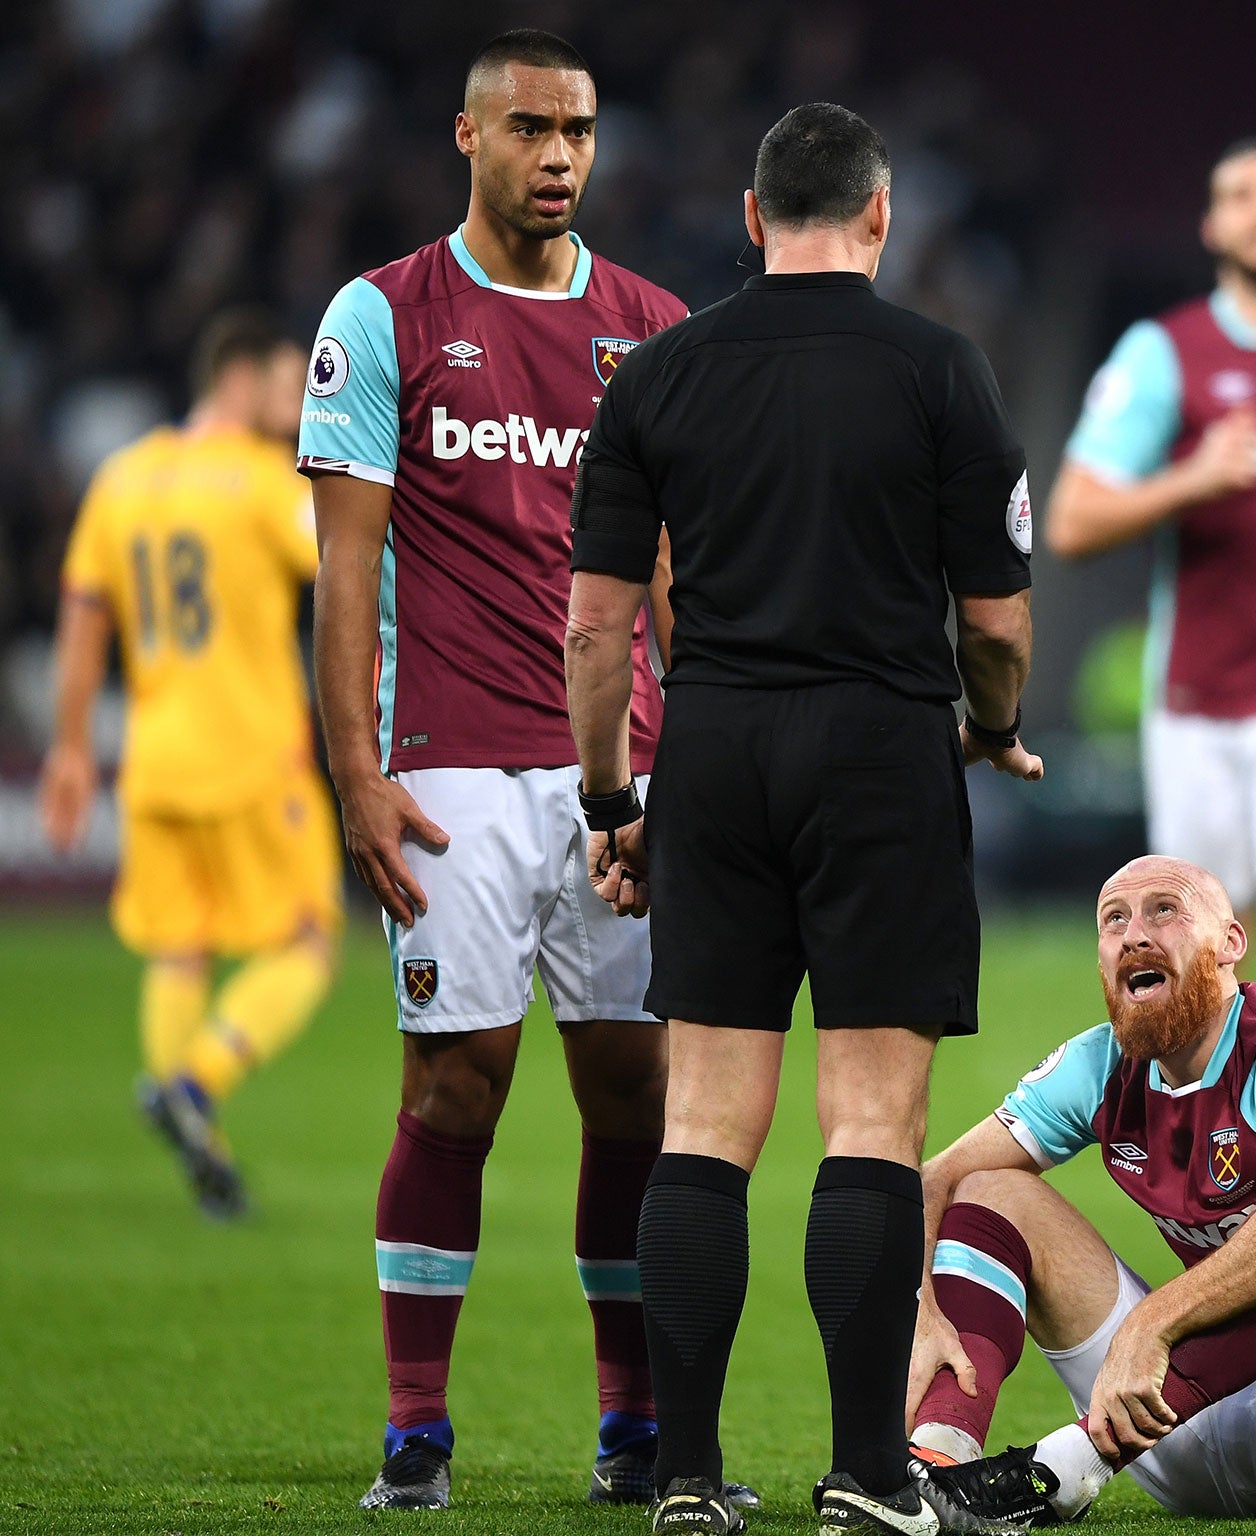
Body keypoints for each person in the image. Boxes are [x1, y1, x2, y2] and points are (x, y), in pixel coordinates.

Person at [563, 102, 1040, 1536]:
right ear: (881, 218)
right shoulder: (941, 368)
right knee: (869, 1126)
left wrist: (613, 799)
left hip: (711, 750)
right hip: (882, 749)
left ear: (756, 220)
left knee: (704, 1124)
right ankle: (866, 1476)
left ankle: (689, 1479)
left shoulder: (657, 374)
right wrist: (991, 729)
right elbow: (1001, 624)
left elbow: (594, 633)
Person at [297, 29, 709, 1512]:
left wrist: (700, 762)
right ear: (466, 138)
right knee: (457, 1093)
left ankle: (631, 1421)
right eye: (529, 127)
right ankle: (417, 1424)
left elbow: (673, 571)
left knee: (633, 1094)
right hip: (452, 764)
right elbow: (346, 568)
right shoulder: (386, 313)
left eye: (579, 130)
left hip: (627, 767)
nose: (558, 155)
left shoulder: (650, 328)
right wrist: (355, 774)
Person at [901, 854, 1256, 1527]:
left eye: (1163, 910)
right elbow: (935, 1179)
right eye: (1114, 920)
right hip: (1204, 1424)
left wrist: (1154, 1320)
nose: (1135, 934)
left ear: (1230, 944)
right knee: (990, 1188)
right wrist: (920, 1310)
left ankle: (1054, 1471)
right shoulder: (1100, 1064)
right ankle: (933, 1471)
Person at [1045, 140, 1256, 1019]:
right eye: (1240, 195)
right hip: (1199, 700)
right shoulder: (1167, 353)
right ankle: (1219, 1154)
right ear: (1212, 224)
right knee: (1198, 977)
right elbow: (1073, 520)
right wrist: (1193, 479)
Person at [41, 309, 339, 1221]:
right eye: (289, 387)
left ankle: (197, 1141)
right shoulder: (260, 481)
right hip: (251, 753)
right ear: (241, 380)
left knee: (180, 947)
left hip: (154, 757)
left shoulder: (123, 477)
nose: (300, 406)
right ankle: (197, 1089)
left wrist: (66, 746)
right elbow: (350, 556)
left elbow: (86, 613)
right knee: (308, 943)